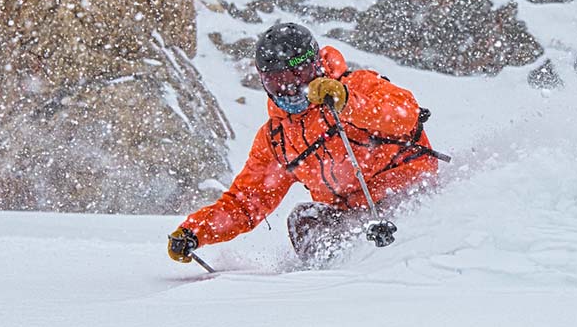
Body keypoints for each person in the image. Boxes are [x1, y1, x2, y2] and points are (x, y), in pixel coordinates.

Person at [167, 22, 442, 264]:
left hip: (408, 190)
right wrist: (195, 232)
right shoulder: (277, 138)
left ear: (317, 66)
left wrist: (347, 102)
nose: (291, 88)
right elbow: (247, 200)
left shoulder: (356, 86)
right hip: (353, 216)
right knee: (304, 219)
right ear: (264, 83)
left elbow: (405, 114)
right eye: (279, 82)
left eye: (299, 74)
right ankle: (334, 279)